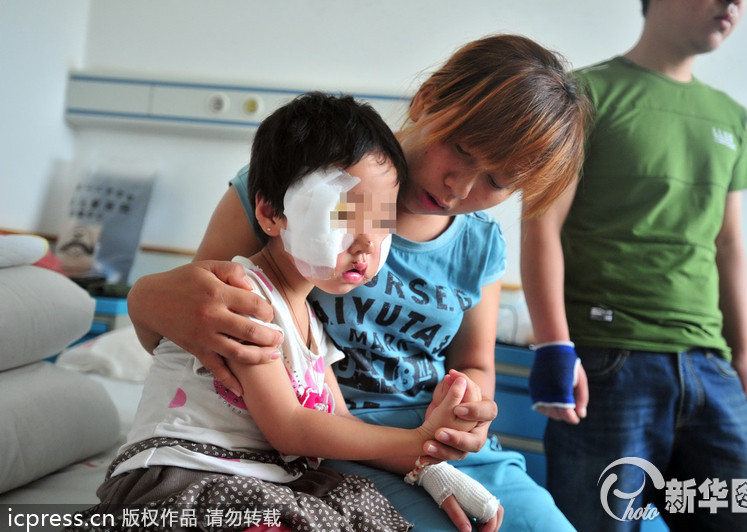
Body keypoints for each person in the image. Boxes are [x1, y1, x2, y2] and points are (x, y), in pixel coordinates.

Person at [128, 34, 591, 531]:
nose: (460, 187)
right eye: (459, 148)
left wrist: (464, 413)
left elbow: (475, 363)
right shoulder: (299, 184)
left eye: (497, 182)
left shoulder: (479, 243)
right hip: (333, 441)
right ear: (427, 100)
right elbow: (198, 314)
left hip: (432, 443)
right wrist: (141, 298)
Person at [79, 92, 507, 532]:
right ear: (270, 213)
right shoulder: (244, 298)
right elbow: (290, 426)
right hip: (187, 475)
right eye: (343, 216)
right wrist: (416, 441)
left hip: (259, 477)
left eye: (382, 223)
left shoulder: (313, 324)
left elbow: (338, 421)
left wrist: (428, 467)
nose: (367, 243)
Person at [523, 1, 747, 530]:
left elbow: (728, 243)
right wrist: (553, 346)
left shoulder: (729, 115)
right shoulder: (584, 94)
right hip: (607, 362)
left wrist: (744, 353)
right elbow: (540, 223)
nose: (733, 3)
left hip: (710, 363)